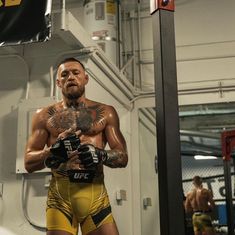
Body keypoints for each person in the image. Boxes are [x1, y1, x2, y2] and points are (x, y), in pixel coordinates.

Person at [24, 57, 128, 235]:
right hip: (60, 199)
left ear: (85, 78)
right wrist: (53, 152)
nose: (70, 77)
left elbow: (123, 156)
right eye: (65, 74)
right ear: (58, 82)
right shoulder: (43, 116)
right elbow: (28, 162)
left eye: (76, 73)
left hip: (95, 197)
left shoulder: (106, 112)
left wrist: (101, 155)